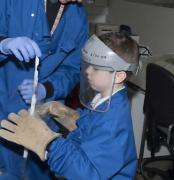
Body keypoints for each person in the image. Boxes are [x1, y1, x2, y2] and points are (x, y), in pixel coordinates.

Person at [0, 32, 139, 179]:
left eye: (96, 68)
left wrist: (49, 142)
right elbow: (92, 132)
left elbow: (86, 175)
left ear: (119, 76)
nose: (87, 71)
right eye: (88, 65)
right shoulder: (104, 99)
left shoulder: (112, 122)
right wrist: (69, 115)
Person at [0, 0, 88, 179]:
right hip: (3, 109)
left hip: (43, 118)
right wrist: (3, 44)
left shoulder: (78, 18)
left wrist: (47, 88)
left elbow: (72, 69)